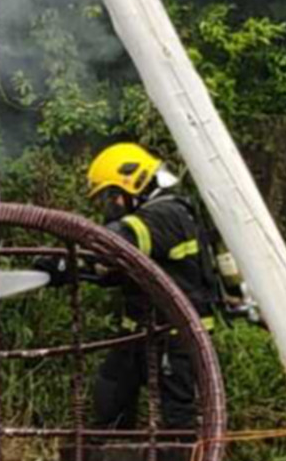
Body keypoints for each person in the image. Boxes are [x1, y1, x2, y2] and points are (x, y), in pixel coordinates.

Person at [82, 143, 225, 434]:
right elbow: (120, 267)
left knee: (178, 422)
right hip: (141, 331)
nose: (111, 205)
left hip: (177, 337)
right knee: (110, 396)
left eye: (112, 195)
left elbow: (117, 241)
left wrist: (69, 248)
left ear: (132, 182)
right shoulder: (156, 214)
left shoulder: (165, 214)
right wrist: (61, 269)